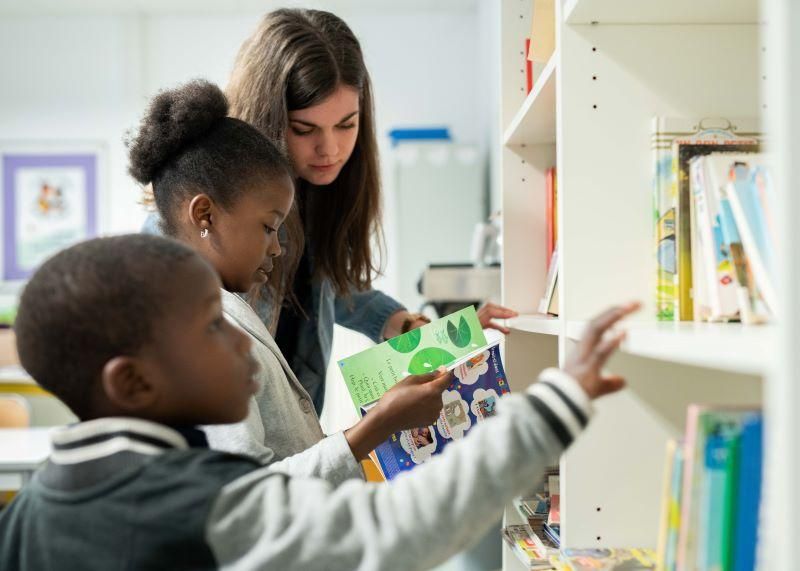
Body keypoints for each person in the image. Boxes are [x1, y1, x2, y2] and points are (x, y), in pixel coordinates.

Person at [0, 233, 638, 570]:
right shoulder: (204, 504)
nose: (247, 342)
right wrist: (551, 407)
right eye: (213, 326)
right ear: (133, 383)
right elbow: (399, 529)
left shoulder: (30, 511)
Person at [127, 80, 448, 473]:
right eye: (268, 228)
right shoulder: (202, 334)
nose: (278, 249)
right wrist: (377, 425)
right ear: (205, 215)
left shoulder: (221, 310)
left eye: (346, 126)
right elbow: (249, 492)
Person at [227, 7, 518, 413]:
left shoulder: (317, 188)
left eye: (347, 125)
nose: (330, 149)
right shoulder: (215, 208)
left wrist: (426, 333)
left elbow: (336, 286)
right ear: (268, 121)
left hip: (294, 438)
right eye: (304, 130)